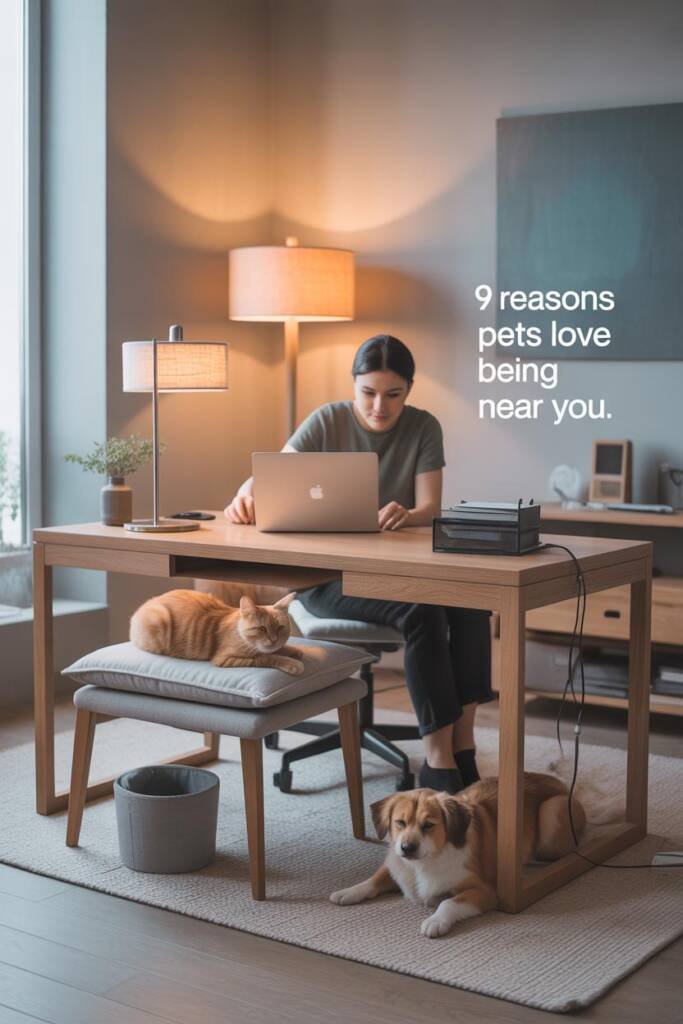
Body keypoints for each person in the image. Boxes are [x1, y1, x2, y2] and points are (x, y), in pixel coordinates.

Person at [225, 334, 493, 793]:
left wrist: (408, 514)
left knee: (470, 604)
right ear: (354, 385)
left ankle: (462, 745)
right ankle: (438, 762)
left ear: (409, 389)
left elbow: (431, 505)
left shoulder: (424, 426)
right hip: (326, 579)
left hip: (395, 573)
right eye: (368, 393)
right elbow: (272, 475)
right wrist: (243, 494)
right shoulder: (326, 421)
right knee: (423, 613)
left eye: (393, 395)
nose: (379, 407)